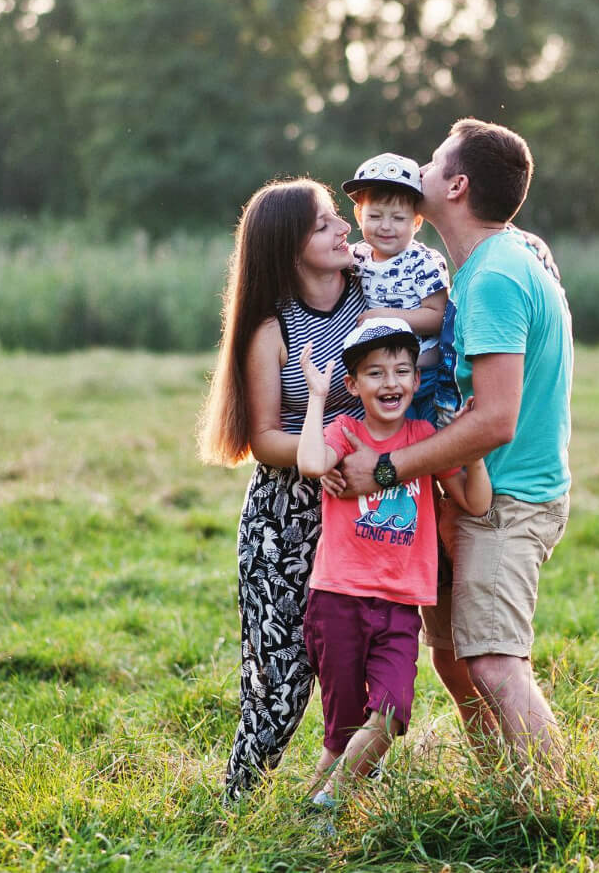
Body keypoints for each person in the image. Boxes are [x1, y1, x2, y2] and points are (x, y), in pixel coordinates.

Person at [335, 118, 574, 776]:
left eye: (435, 162)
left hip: (509, 497)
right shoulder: (483, 264)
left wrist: (384, 469)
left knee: (493, 660)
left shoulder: (495, 276)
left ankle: (561, 804)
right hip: (463, 494)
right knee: (451, 653)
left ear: (458, 186)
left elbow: (496, 419)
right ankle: (502, 787)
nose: (422, 169)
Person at [196, 177, 366, 800]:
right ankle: (237, 806)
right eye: (325, 225)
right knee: (281, 681)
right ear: (289, 249)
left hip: (363, 513)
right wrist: (325, 457)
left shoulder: (372, 300)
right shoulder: (273, 330)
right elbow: (263, 437)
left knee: (366, 671)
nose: (345, 227)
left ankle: (337, 804)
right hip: (285, 520)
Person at [295, 318, 490, 805]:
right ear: (353, 384)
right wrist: (316, 397)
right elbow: (311, 464)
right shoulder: (344, 431)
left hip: (401, 606)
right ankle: (314, 823)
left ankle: (328, 800)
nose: (391, 383)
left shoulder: (424, 439)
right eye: (376, 373)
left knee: (392, 711)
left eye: (402, 371)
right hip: (338, 599)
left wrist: (475, 445)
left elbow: (477, 502)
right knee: (340, 735)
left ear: (416, 381)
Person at [341, 153, 455, 426]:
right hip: (382, 377)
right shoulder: (356, 257)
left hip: (424, 375)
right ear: (359, 215)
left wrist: (384, 318)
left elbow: (438, 317)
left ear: (416, 222)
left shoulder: (423, 261)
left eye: (398, 218)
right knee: (391, 438)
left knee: (427, 437)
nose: (385, 226)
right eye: (375, 216)